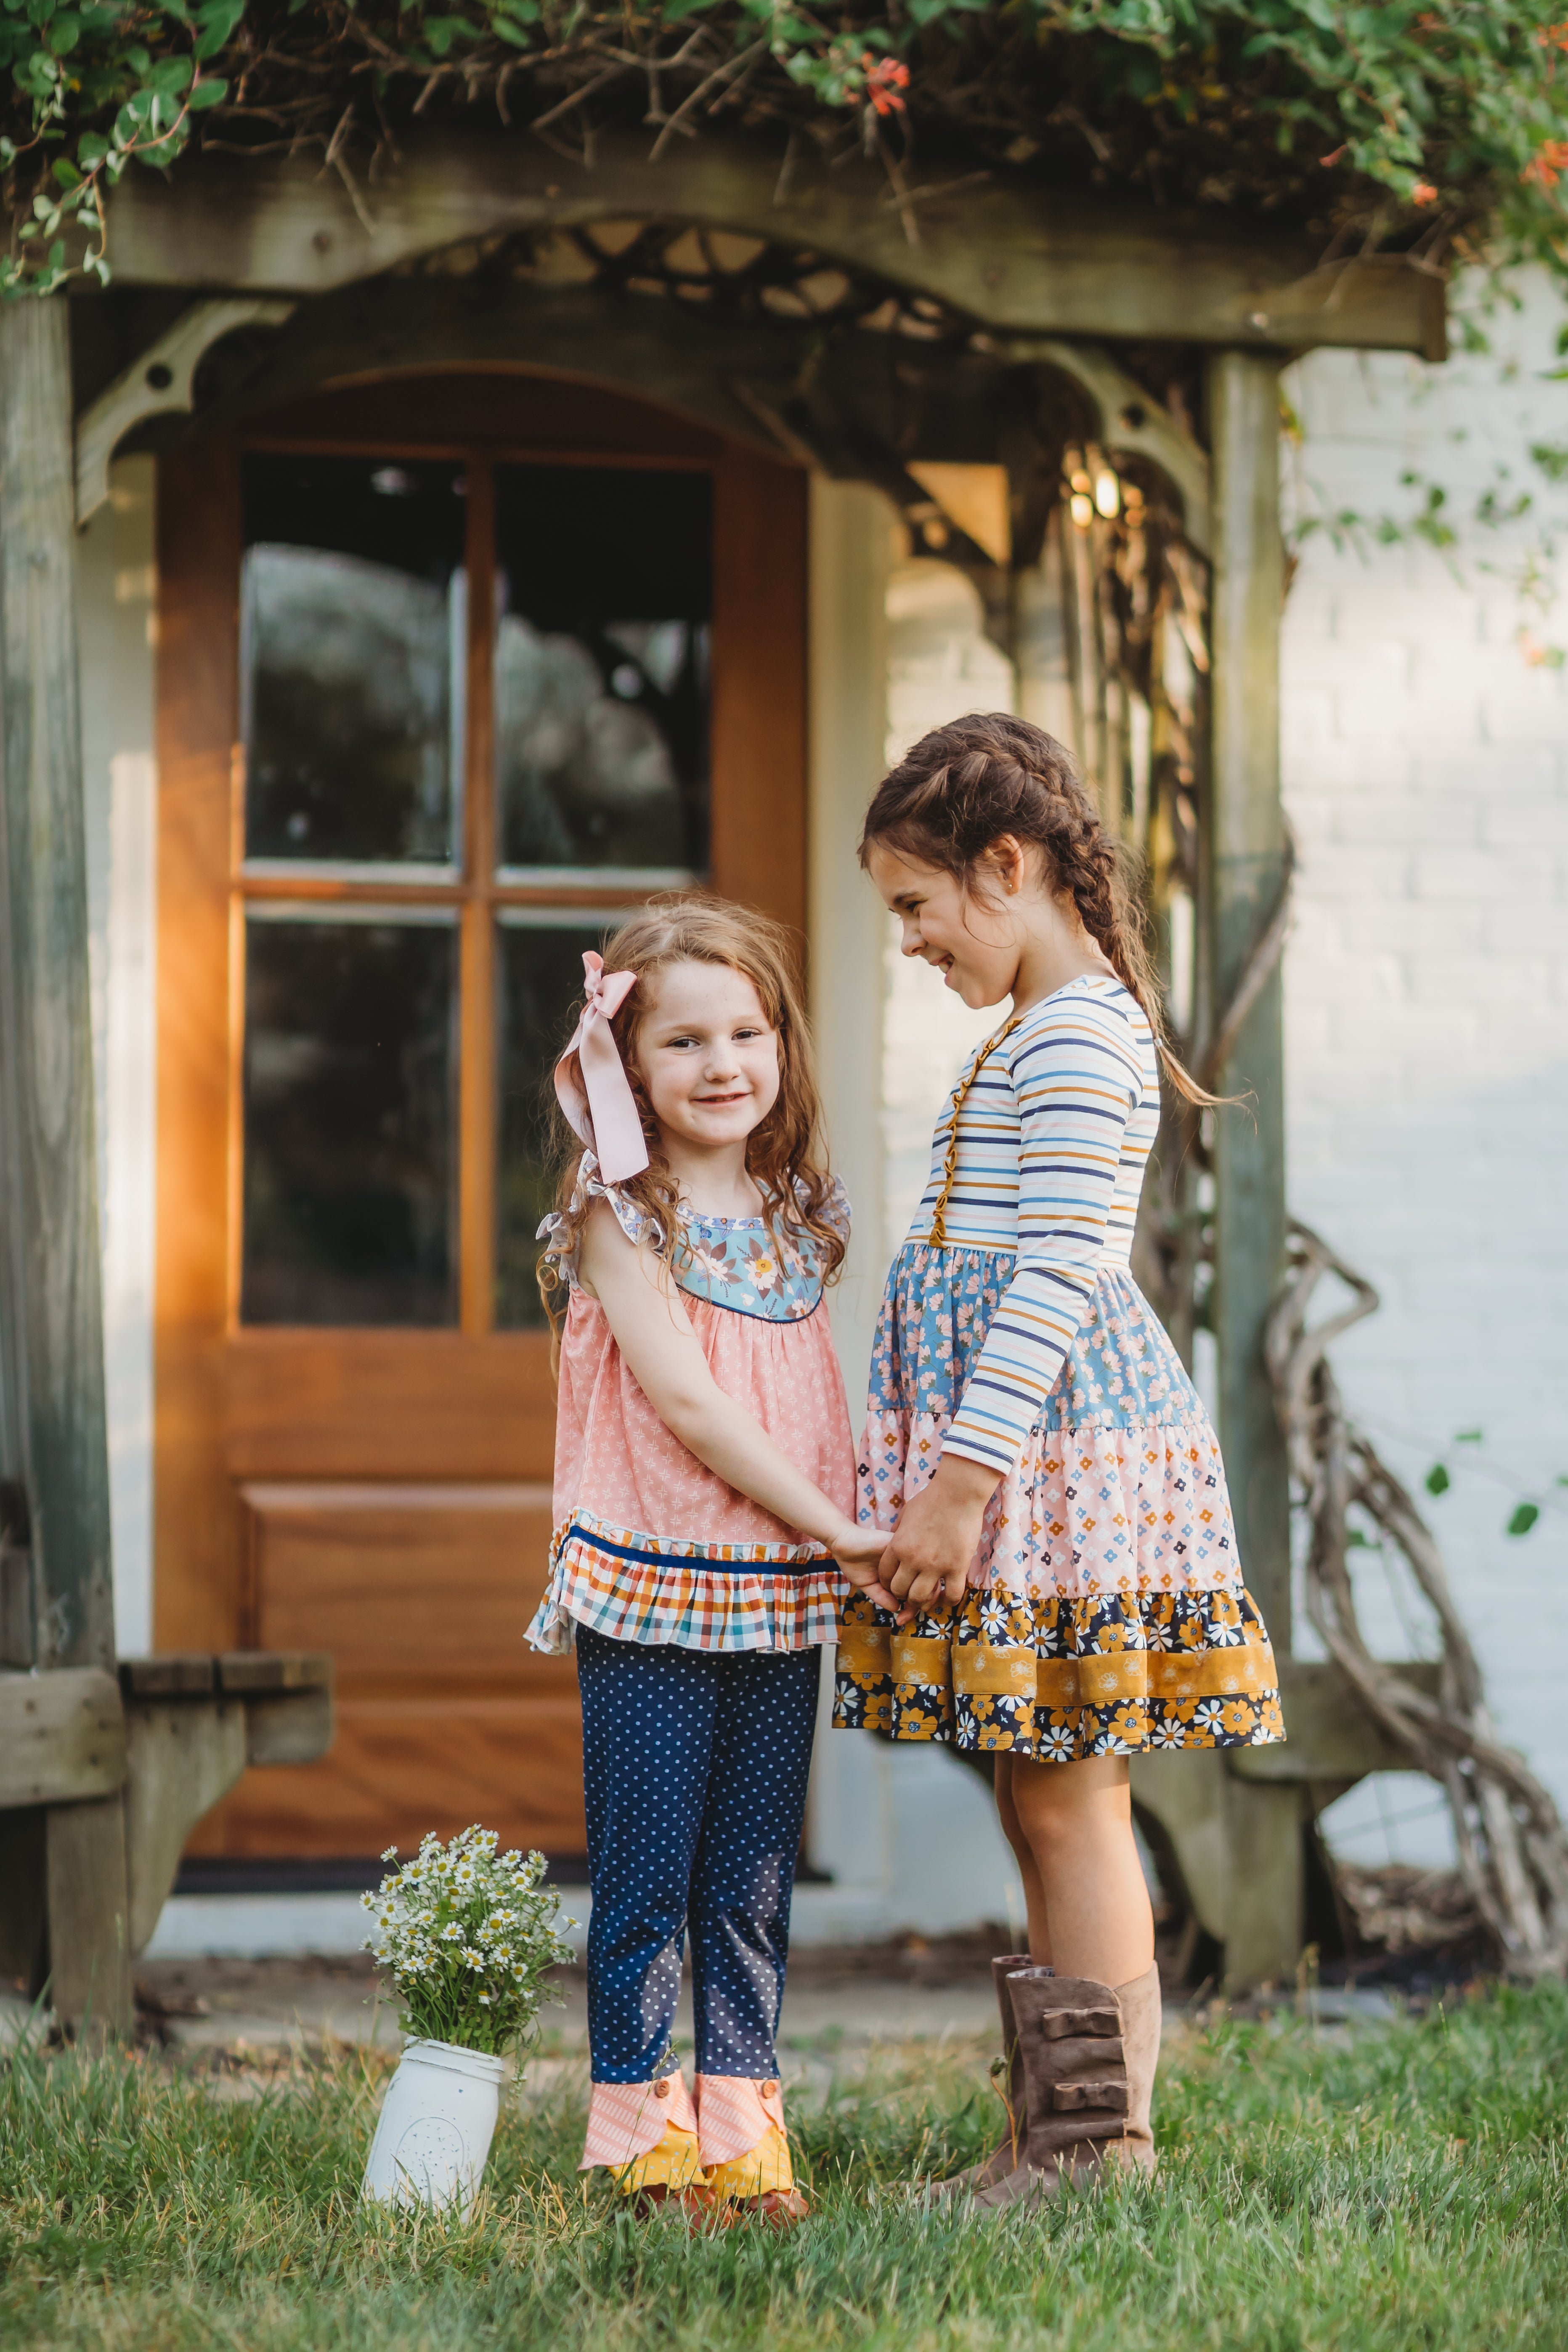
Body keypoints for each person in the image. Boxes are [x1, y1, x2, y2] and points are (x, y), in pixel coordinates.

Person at [836, 713, 1285, 2210]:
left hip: (1050, 1465)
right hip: (1028, 1458)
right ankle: (1053, 2133)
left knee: (1072, 1795)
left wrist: (959, 1487)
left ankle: (1098, 2148)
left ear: (1007, 866)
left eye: (915, 906)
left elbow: (1057, 1279)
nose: (907, 941)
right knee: (1042, 1791)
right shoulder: (1041, 1030)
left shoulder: (1082, 1035)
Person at [528, 896, 889, 2227]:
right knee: (647, 1880)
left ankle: (744, 2139)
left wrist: (859, 1520)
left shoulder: (800, 1210)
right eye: (684, 1042)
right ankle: (637, 2142)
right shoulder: (625, 1215)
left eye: (747, 1031)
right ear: (624, 1065)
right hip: (661, 1584)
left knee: (747, 1879)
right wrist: (838, 1523)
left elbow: (812, 1390)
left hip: (776, 1594)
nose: (724, 1062)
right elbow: (694, 1406)